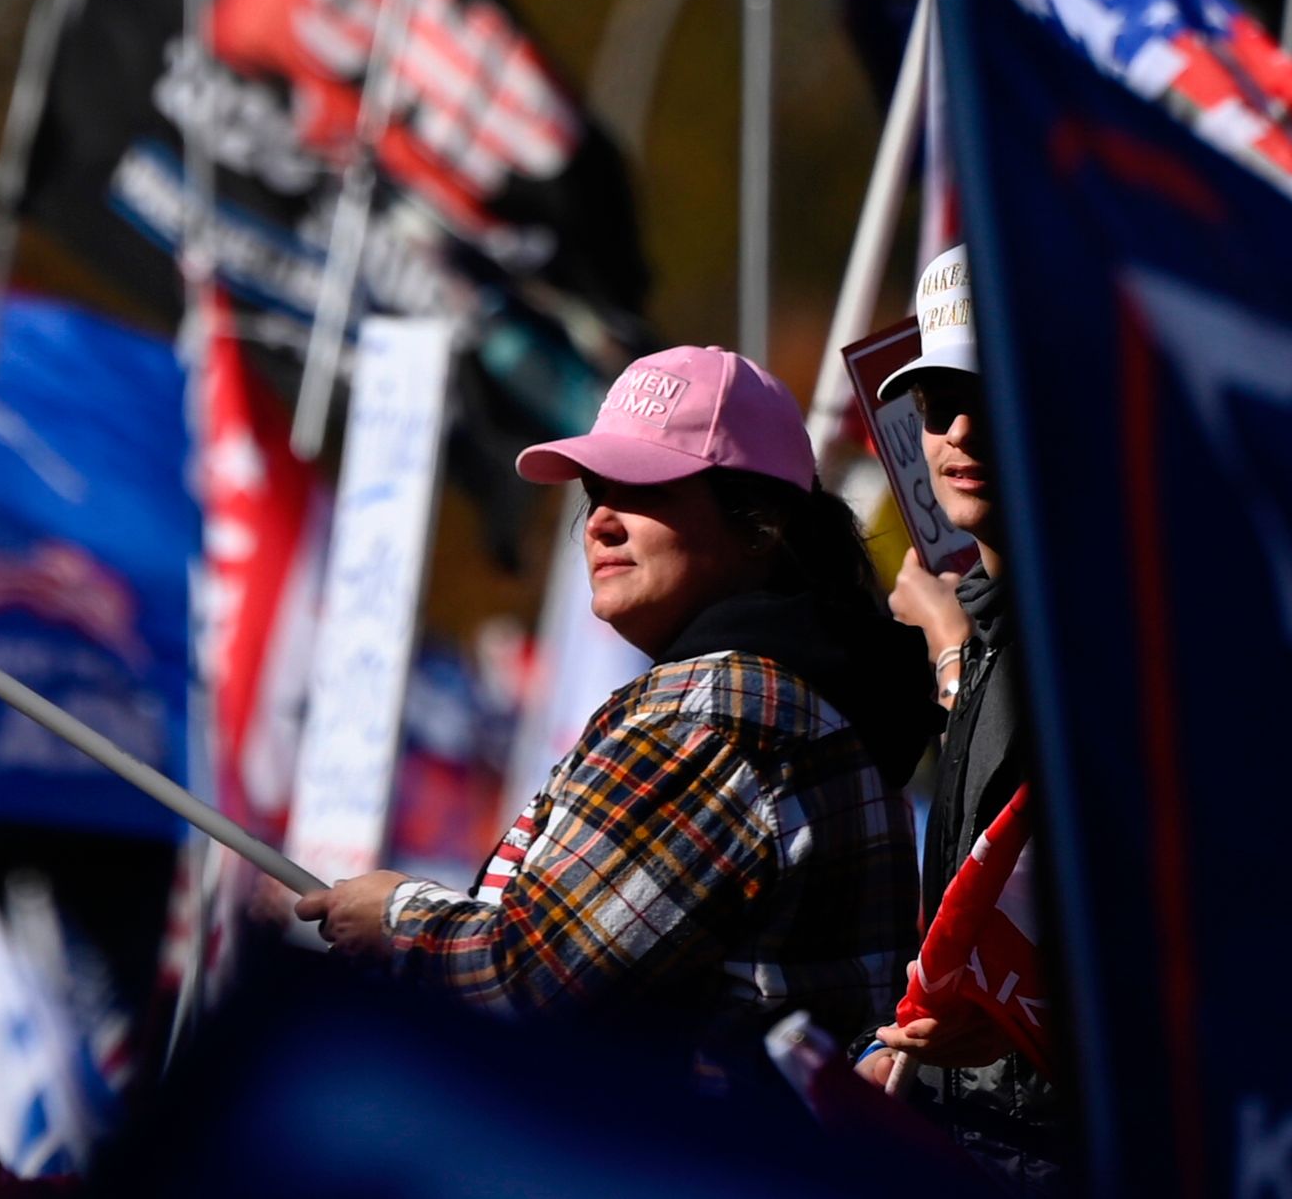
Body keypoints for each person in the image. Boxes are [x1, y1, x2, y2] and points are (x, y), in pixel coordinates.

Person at [294, 345, 934, 1048]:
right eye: (598, 491)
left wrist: (395, 918)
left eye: (648, 488)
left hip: (684, 1150)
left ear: (758, 523)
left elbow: (529, 979)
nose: (599, 521)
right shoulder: (783, 692)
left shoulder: (715, 713)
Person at [855, 248, 1070, 1183]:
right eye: (939, 405)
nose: (963, 430)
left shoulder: (1106, 636)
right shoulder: (993, 626)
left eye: (998, 390)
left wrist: (996, 1025)